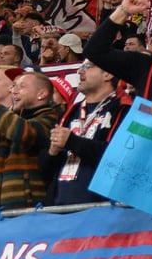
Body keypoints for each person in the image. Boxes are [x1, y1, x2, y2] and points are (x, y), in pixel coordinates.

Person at [43, 60, 130, 205]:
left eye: (88, 67)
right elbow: (45, 170)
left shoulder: (124, 109)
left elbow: (119, 157)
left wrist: (72, 141)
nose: (80, 71)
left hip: (102, 211)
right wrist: (52, 152)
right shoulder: (70, 112)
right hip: (60, 211)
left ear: (107, 74)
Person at [0, 71, 62, 209]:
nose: (14, 91)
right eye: (13, 86)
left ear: (41, 94)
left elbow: (24, 133)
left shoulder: (51, 118)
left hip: (30, 210)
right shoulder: (9, 124)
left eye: (21, 86)